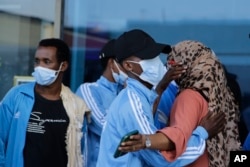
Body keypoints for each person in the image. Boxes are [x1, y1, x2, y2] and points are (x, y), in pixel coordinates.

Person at [96, 29, 225, 167]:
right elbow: (160, 158)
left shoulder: (145, 97)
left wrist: (161, 87)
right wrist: (202, 134)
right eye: (148, 57)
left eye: (156, 55)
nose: (156, 62)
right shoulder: (133, 103)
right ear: (128, 65)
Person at [119, 40, 241, 167]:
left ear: (186, 65)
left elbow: (176, 139)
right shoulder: (221, 95)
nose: (168, 67)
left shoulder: (188, 97)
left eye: (172, 62)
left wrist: (146, 141)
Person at [0, 38, 90, 167]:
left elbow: (81, 152)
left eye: (46, 61)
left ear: (63, 66)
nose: (39, 67)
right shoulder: (17, 96)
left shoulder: (76, 106)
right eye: (37, 61)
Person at [75, 39, 128, 167]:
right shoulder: (89, 90)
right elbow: (105, 128)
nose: (130, 68)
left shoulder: (127, 92)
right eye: (126, 63)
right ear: (112, 63)